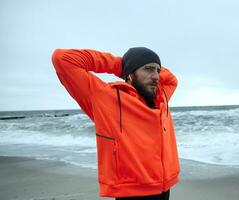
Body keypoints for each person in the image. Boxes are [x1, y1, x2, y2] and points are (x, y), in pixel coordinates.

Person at [51, 47, 180, 200]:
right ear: (130, 74)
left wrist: (139, 67)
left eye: (158, 70)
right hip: (133, 193)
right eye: (148, 69)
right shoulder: (105, 97)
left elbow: (171, 79)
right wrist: (122, 66)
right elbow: (63, 59)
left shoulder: (161, 98)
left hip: (165, 187)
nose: (156, 76)